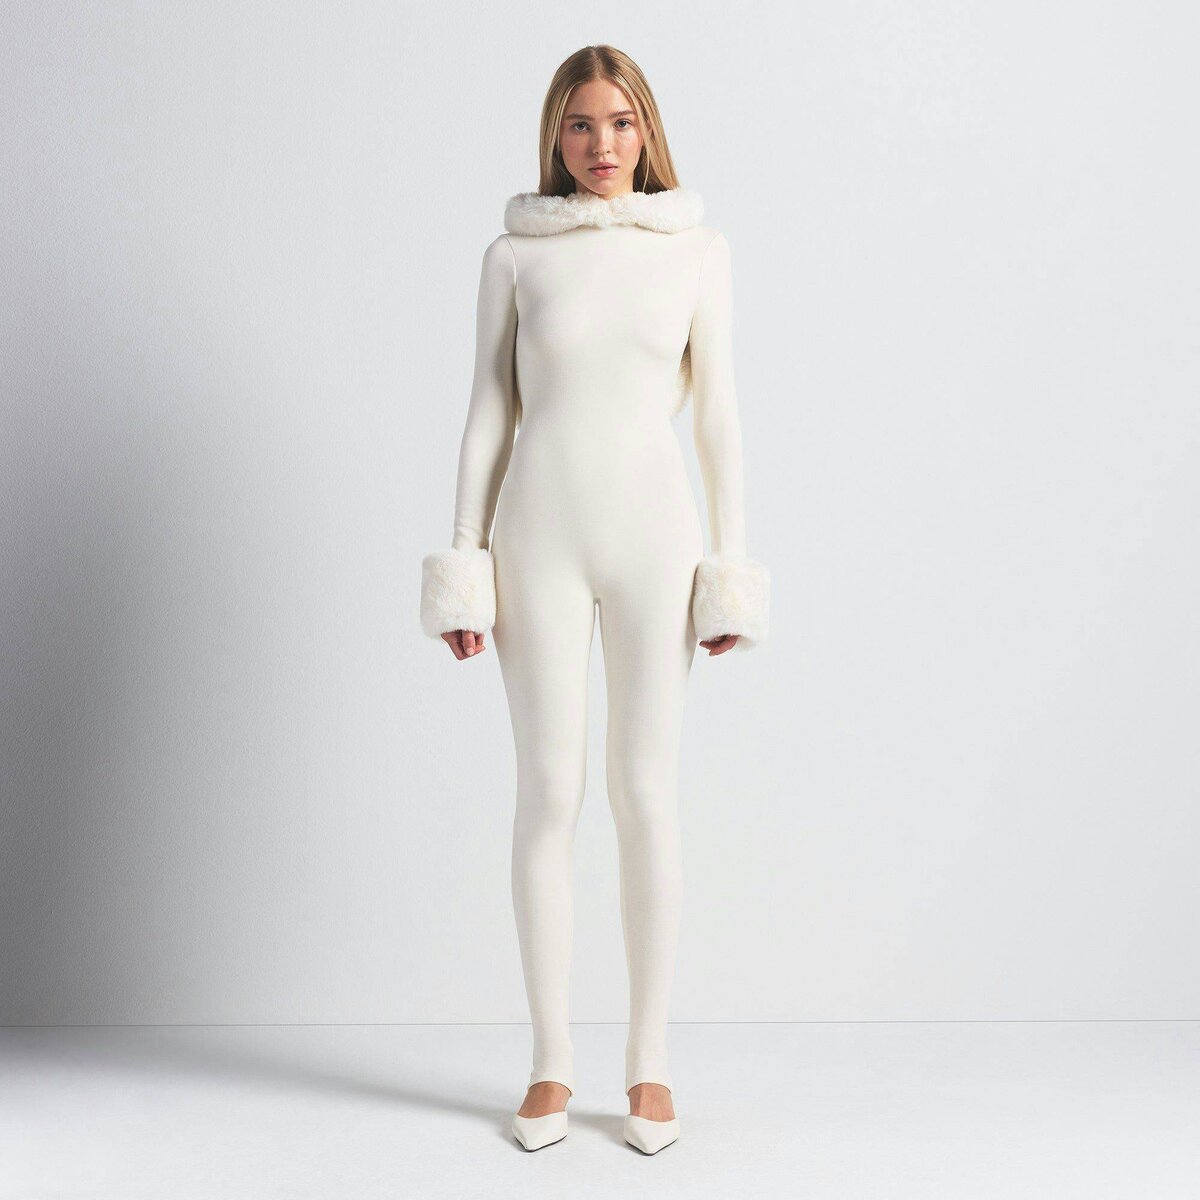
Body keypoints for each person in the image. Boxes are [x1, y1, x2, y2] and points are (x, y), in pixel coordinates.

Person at [419, 44, 769, 1155]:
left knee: (646, 792)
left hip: (655, 540)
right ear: (555, 137)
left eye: (620, 123)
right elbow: (489, 410)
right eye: (580, 124)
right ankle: (550, 1065)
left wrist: (730, 570)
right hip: (538, 540)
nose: (602, 144)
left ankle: (650, 1065)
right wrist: (465, 558)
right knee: (549, 792)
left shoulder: (697, 252)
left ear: (646, 130)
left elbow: (719, 416)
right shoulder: (515, 256)